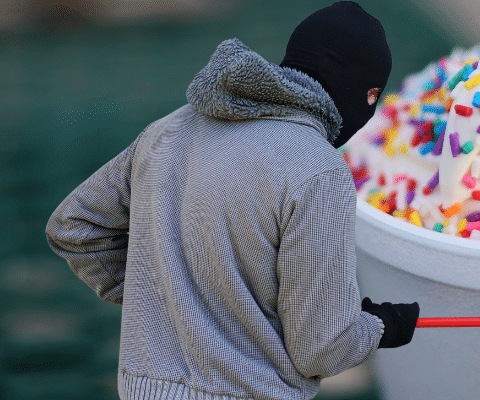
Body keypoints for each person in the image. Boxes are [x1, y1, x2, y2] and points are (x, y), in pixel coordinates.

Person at [44, 2, 419, 399]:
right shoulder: (318, 170)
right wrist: (382, 326)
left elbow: (75, 227)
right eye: (371, 93)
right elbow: (322, 348)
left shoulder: (168, 131)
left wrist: (167, 299)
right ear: (355, 86)